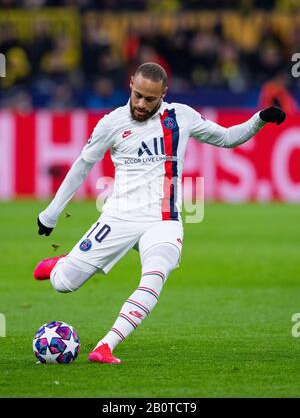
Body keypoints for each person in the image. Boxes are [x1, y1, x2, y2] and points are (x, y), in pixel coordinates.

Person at [34, 62, 286, 364]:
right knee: (64, 284)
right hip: (120, 216)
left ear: (163, 94)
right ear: (130, 84)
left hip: (164, 219)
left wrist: (260, 119)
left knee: (155, 276)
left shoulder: (182, 116)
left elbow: (228, 138)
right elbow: (82, 166)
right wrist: (51, 213)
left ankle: (105, 346)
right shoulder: (111, 123)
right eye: (138, 95)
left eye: (150, 99)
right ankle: (61, 263)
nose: (141, 104)